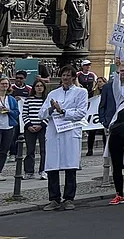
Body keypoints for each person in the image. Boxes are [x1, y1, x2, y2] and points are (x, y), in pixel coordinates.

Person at [40, 65, 87, 211]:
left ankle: (68, 198)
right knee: (52, 166)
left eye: (68, 75)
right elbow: (41, 114)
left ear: (73, 77)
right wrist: (52, 109)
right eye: (63, 75)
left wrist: (63, 111)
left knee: (70, 166)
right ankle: (54, 198)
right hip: (54, 132)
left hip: (70, 133)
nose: (65, 78)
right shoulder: (53, 93)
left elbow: (81, 113)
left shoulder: (81, 92)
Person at [21, 78, 46, 179]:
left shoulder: (46, 100)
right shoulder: (29, 99)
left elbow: (49, 114)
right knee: (30, 150)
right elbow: (24, 114)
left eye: (41, 86)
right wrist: (29, 125)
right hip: (30, 128)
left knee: (44, 150)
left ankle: (43, 170)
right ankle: (29, 171)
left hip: (43, 128)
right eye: (37, 86)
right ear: (34, 88)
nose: (39, 88)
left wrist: (41, 125)